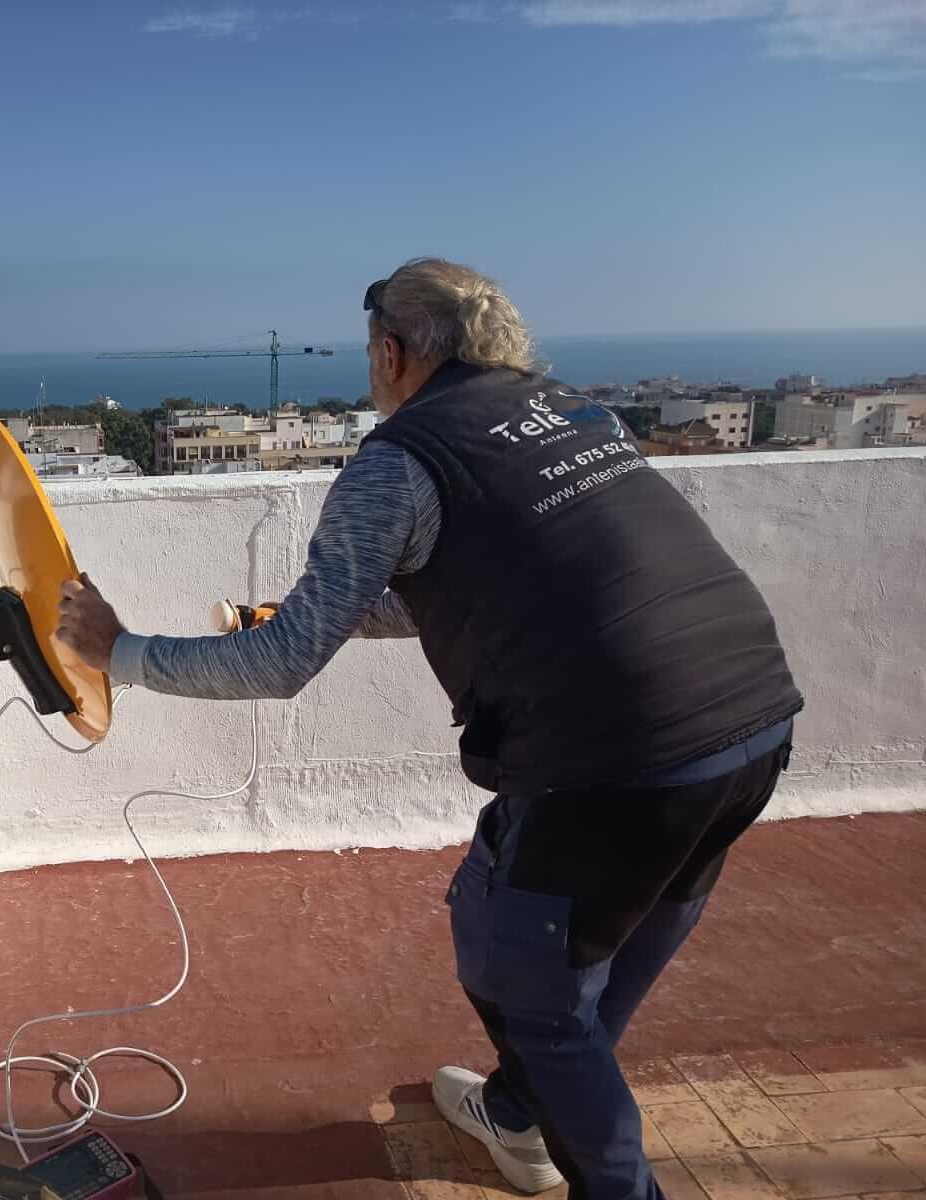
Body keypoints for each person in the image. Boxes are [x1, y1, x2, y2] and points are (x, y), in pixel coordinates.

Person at [55, 257, 803, 1200]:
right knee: (615, 930)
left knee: (524, 984)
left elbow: (284, 669)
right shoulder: (572, 411)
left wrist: (119, 652)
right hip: (751, 723)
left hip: (616, 760)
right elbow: (481, 580)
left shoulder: (397, 462)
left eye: (373, 355)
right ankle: (520, 1114)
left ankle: (584, 1154)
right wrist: (318, 610)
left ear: (393, 350)